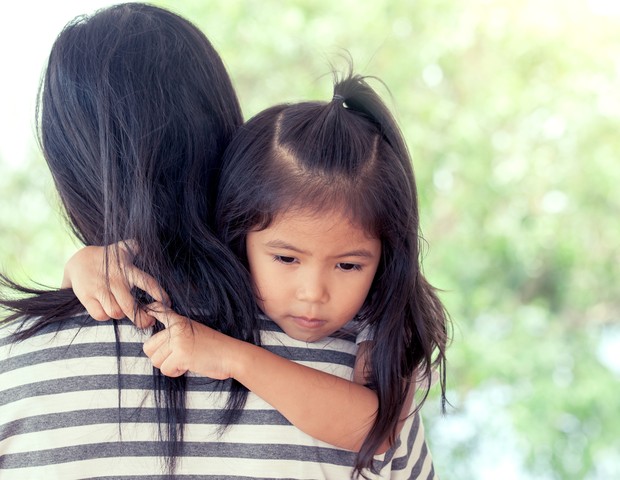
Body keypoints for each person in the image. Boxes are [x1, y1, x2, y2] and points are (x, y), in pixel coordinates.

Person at [0, 3, 440, 479]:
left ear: (69, 164)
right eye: (288, 257)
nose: (313, 290)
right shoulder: (346, 355)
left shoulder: (14, 365)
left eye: (348, 264)